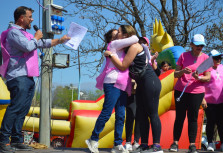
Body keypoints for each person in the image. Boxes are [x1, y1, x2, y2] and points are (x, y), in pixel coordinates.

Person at [0, 6, 70, 153]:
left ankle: (17, 140)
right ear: (21, 18)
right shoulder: (13, 33)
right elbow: (28, 46)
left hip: (28, 76)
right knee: (15, 108)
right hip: (18, 76)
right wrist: (36, 37)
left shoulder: (25, 34)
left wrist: (60, 40)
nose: (32, 19)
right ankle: (4, 140)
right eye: (29, 16)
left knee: (23, 110)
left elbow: (41, 43)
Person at [104, 25, 163, 153]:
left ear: (125, 35)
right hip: (141, 83)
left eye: (119, 32)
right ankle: (145, 144)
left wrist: (110, 55)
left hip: (150, 81)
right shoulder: (127, 47)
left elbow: (123, 66)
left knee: (152, 113)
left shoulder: (134, 46)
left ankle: (157, 146)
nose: (116, 34)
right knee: (141, 115)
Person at [86, 26, 139, 153]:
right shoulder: (114, 44)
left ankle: (117, 144)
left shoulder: (123, 49)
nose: (118, 36)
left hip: (123, 83)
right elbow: (135, 38)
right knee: (107, 112)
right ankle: (93, 139)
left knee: (121, 115)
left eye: (119, 34)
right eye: (116, 35)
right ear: (111, 39)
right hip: (112, 82)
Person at [168, 34, 211, 153]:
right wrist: (182, 71)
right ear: (191, 45)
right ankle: (175, 143)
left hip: (197, 92)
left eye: (201, 45)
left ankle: (192, 145)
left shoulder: (207, 58)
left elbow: (207, 78)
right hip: (181, 91)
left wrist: (199, 78)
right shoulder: (183, 55)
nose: (200, 47)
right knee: (180, 117)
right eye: (197, 45)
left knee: (193, 118)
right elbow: (175, 74)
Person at [201, 50, 223, 152]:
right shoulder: (205, 69)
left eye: (219, 58)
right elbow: (200, 85)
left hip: (221, 100)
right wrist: (202, 99)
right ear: (209, 59)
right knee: (210, 122)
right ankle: (210, 143)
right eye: (216, 58)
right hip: (209, 100)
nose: (219, 60)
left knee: (221, 123)